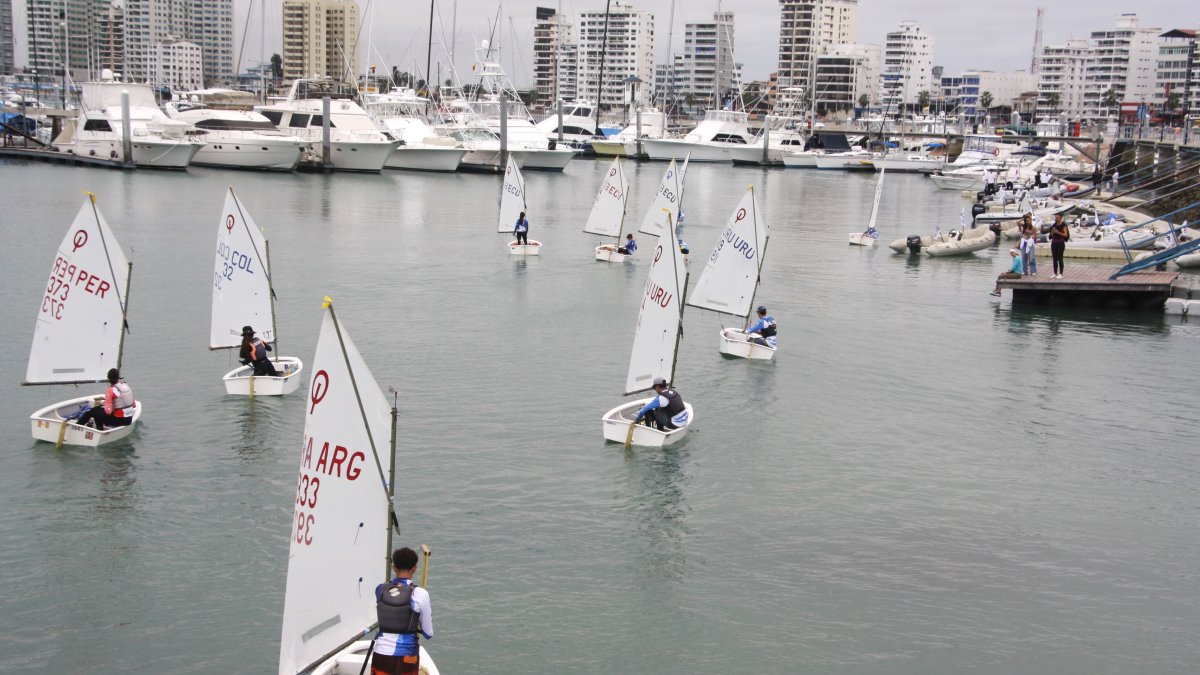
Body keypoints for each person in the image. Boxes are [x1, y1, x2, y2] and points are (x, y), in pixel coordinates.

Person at [372, 547, 434, 675]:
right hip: (407, 656)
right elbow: (428, 633)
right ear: (415, 568)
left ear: (394, 568)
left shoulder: (380, 589)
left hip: (381, 653)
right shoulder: (420, 593)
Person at [1049, 212, 1070, 279]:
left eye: (1058, 217)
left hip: (1060, 243)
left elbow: (1066, 235)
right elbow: (1051, 236)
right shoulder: (1054, 225)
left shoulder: (1063, 225)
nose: (1056, 219)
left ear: (1061, 218)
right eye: (1056, 217)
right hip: (1054, 242)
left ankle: (1061, 273)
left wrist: (1058, 232)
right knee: (1054, 258)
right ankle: (1055, 273)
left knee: (1060, 258)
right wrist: (1052, 232)